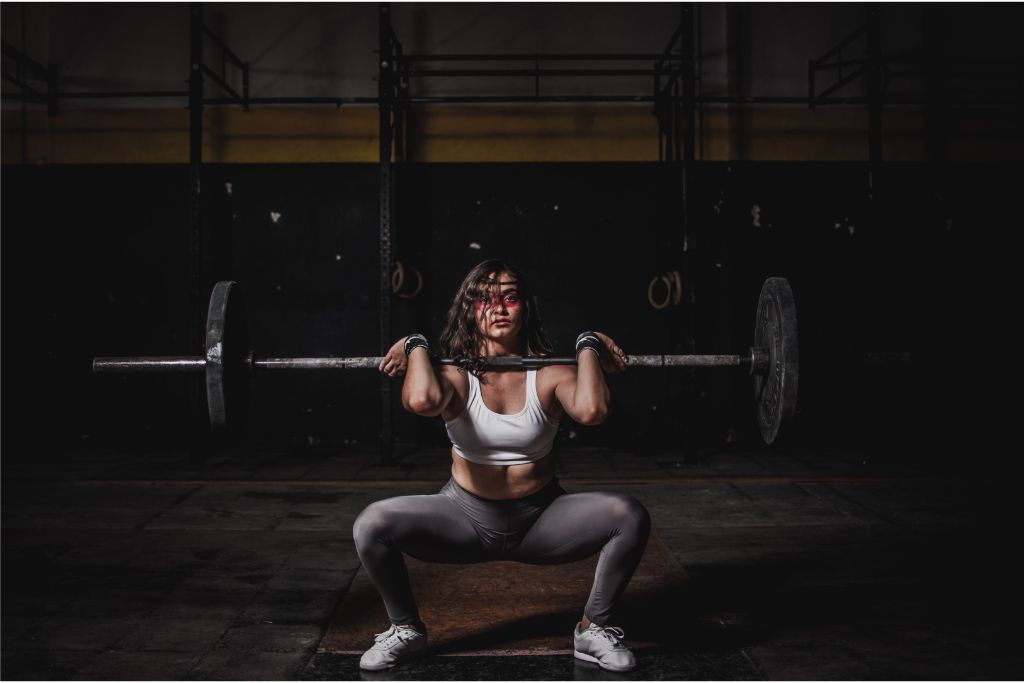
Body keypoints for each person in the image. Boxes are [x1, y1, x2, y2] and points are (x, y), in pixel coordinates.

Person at [352, 258, 651, 672]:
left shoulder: (549, 373)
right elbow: (421, 401)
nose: (498, 308)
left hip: (542, 520)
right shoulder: (455, 375)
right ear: (468, 309)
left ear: (524, 306)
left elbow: (593, 410)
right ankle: (406, 629)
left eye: (509, 297)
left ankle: (593, 628)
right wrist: (415, 344)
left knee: (628, 514)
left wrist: (588, 345)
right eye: (484, 299)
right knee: (371, 523)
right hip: (463, 519)